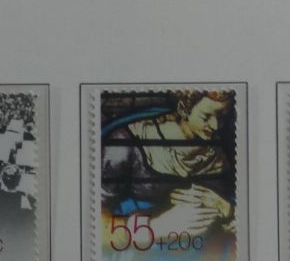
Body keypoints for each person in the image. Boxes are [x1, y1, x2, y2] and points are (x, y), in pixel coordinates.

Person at [100, 90, 234, 249]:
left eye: (222, 117)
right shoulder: (126, 143)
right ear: (183, 109)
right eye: (206, 116)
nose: (216, 126)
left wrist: (226, 208)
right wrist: (156, 227)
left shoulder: (217, 150)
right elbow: (96, 222)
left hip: (205, 253)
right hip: (141, 256)